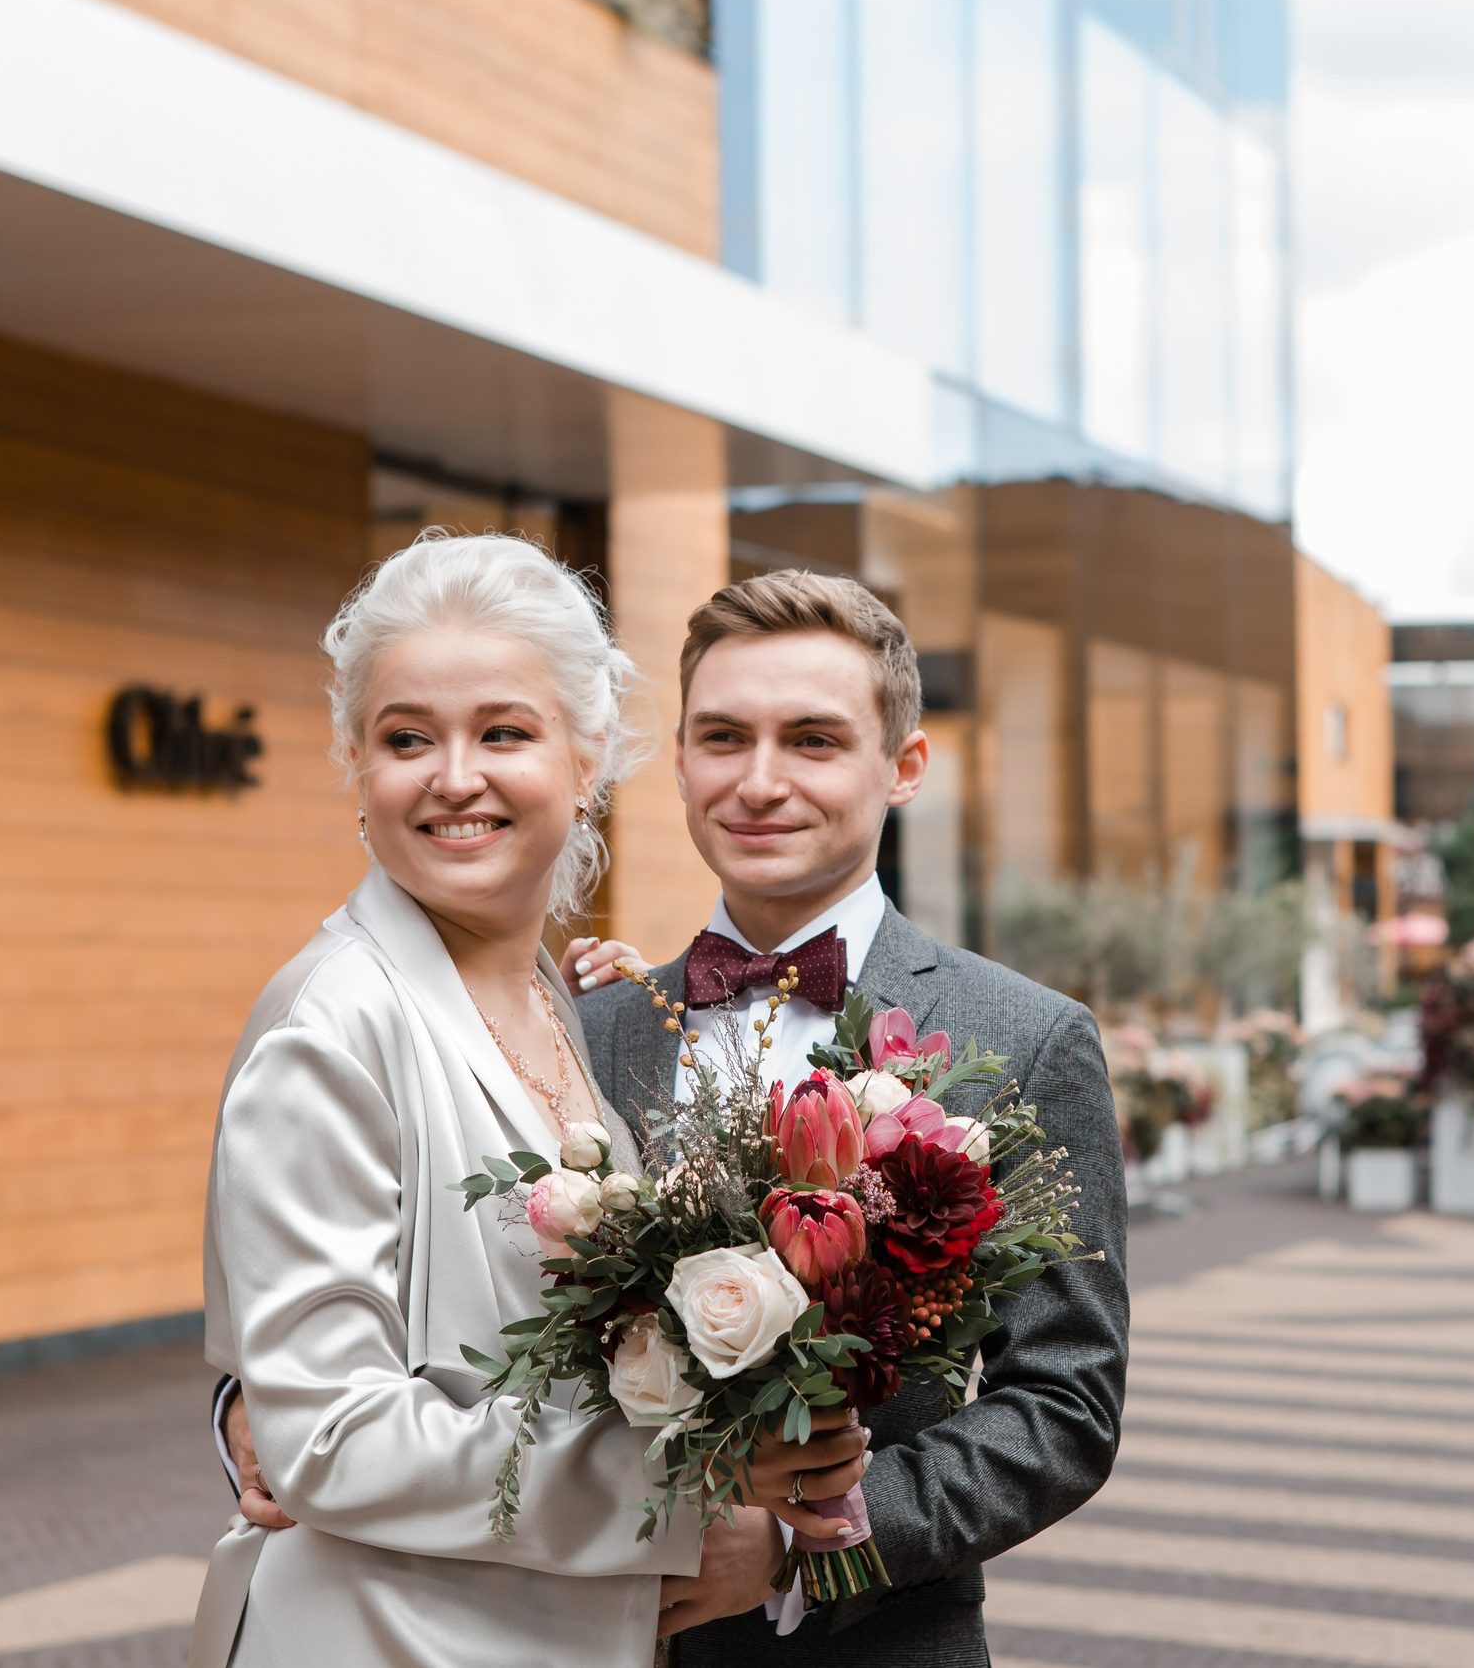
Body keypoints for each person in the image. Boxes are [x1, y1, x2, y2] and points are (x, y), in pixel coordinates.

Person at [191, 534, 863, 1668]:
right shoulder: (333, 1022)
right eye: (408, 738)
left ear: (587, 754)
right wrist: (689, 1477)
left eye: (502, 731)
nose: (454, 776)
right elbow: (327, 1435)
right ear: (358, 764)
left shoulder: (556, 995)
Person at [583, 572, 1130, 1663]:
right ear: (680, 759)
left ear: (904, 766)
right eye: (723, 737)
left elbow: (1063, 1406)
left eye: (814, 741)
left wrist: (805, 1545)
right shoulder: (588, 1027)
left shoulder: (1025, 1038)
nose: (759, 782)